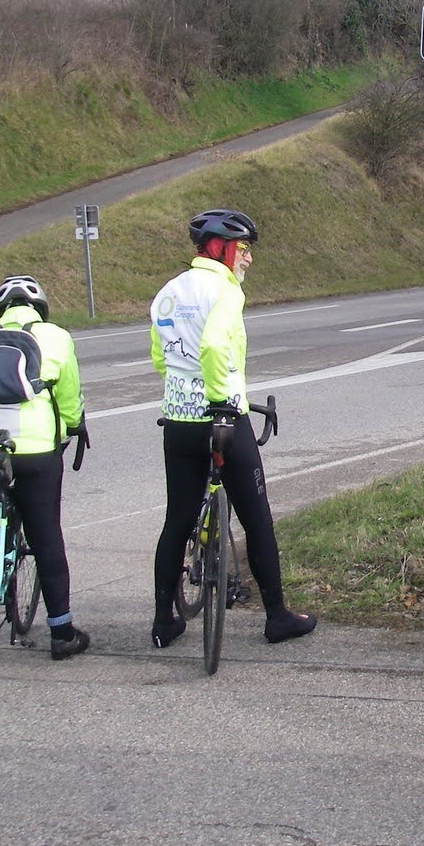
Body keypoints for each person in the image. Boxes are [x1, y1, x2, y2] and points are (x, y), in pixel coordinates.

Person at [149, 208, 316, 649]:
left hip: (179, 421)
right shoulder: (224, 290)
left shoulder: (167, 292)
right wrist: (221, 400)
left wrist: (185, 391)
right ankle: (277, 616)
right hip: (221, 418)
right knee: (257, 519)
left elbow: (161, 356)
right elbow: (212, 346)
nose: (248, 258)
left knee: (176, 521)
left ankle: (164, 621)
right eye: (243, 248)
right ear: (219, 248)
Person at [0, 275, 91, 659]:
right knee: (46, 536)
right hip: (34, 449)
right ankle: (61, 632)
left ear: (2, 309)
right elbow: (69, 397)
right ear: (40, 308)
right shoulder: (56, 336)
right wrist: (71, 426)